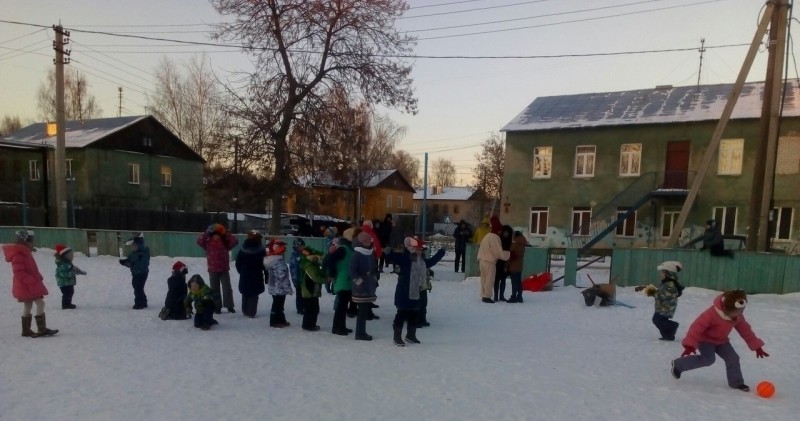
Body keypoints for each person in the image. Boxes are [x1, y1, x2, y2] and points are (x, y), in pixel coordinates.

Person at [671, 289, 769, 392]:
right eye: (736, 313)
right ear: (727, 309)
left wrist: (756, 346)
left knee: (733, 358)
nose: (739, 315)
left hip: (722, 341)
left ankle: (736, 382)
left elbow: (746, 330)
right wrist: (690, 345)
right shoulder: (711, 314)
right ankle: (678, 364)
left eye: (741, 311)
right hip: (705, 340)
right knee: (708, 359)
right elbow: (696, 328)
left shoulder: (738, 316)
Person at [389, 236, 446, 346]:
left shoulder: (422, 261)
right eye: (419, 249)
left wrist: (441, 252)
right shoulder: (406, 259)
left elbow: (432, 261)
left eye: (422, 250)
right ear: (413, 249)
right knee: (401, 314)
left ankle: (411, 335)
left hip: (416, 291)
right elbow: (395, 258)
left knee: (414, 314)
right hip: (404, 292)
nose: (421, 251)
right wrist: (389, 252)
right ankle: (397, 337)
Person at [3, 230, 58, 337]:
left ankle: (26, 330)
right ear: (26, 242)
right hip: (27, 285)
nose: (33, 244)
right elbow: (19, 272)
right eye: (31, 242)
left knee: (28, 305)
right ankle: (41, 329)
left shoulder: (25, 253)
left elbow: (31, 269)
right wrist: (31, 280)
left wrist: (38, 276)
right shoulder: (19, 255)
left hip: (28, 284)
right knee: (40, 303)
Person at [636, 261, 685, 340]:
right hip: (662, 306)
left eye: (662, 273)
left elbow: (661, 295)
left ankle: (673, 326)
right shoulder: (666, 282)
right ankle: (668, 336)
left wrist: (648, 290)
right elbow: (660, 292)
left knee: (657, 320)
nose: (660, 274)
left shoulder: (670, 284)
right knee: (660, 321)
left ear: (668, 273)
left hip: (666, 307)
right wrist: (645, 287)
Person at [196, 223, 239, 314]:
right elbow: (199, 241)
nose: (216, 237)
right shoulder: (208, 242)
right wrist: (207, 232)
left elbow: (235, 241)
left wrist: (226, 232)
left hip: (224, 269)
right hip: (213, 269)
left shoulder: (225, 242)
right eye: (215, 235)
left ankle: (229, 306)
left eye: (218, 235)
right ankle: (216, 306)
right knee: (214, 289)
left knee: (227, 288)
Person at [349, 231, 379, 341]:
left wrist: (374, 277)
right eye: (365, 242)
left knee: (364, 310)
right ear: (361, 242)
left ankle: (361, 332)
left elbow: (373, 268)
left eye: (369, 241)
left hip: (368, 284)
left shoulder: (370, 253)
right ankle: (360, 333)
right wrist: (359, 281)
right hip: (361, 287)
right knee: (362, 311)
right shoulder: (357, 254)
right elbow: (352, 270)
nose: (367, 243)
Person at [477, 217, 510, 303]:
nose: (500, 232)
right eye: (500, 230)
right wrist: (508, 254)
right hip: (490, 261)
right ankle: (487, 297)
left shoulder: (486, 236)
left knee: (483, 279)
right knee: (489, 280)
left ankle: (484, 294)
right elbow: (498, 252)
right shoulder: (495, 238)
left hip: (482, 260)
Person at [329, 228, 355, 336]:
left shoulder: (348, 249)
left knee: (343, 305)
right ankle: (337, 328)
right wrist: (332, 273)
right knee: (341, 305)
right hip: (342, 280)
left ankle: (341, 326)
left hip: (347, 280)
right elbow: (331, 259)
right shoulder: (343, 249)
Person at [297, 242, 327, 331]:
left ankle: (310, 324)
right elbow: (316, 278)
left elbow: (319, 274)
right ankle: (308, 325)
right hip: (309, 291)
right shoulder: (309, 266)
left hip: (312, 290)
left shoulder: (313, 265)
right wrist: (326, 280)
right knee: (311, 309)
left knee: (313, 309)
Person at [235, 230, 266, 318]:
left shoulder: (243, 248)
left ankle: (245, 310)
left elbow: (238, 262)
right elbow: (264, 263)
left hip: (245, 274)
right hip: (256, 274)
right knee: (254, 293)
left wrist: (241, 271)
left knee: (245, 292)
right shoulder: (261, 250)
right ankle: (251, 312)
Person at [264, 238, 293, 328]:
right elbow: (282, 277)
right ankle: (274, 321)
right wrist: (288, 288)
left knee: (279, 304)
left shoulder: (273, 261)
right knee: (277, 305)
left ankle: (281, 320)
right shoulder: (279, 262)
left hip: (275, 287)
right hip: (279, 288)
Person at [119, 233, 150, 310]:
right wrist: (124, 262)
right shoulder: (133, 254)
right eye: (132, 246)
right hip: (135, 273)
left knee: (138, 288)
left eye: (134, 246)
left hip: (142, 273)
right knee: (137, 287)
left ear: (139, 246)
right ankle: (143, 301)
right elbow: (130, 261)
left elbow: (140, 264)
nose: (133, 247)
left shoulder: (143, 254)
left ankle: (139, 303)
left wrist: (129, 264)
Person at [54, 244, 86, 309]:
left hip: (68, 282)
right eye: (70, 255)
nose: (72, 256)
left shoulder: (67, 263)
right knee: (66, 294)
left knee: (70, 292)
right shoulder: (62, 265)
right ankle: (65, 305)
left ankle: (68, 303)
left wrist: (79, 271)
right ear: (65, 256)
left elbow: (72, 269)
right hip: (64, 283)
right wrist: (72, 273)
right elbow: (62, 274)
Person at [506, 231, 528, 303]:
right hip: (519, 265)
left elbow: (511, 256)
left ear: (516, 236)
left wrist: (506, 265)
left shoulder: (515, 245)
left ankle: (514, 297)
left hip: (513, 266)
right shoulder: (523, 243)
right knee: (519, 282)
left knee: (514, 282)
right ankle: (519, 296)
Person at [494, 223, 513, 302]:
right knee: (496, 280)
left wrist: (507, 265)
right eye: (505, 232)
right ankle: (496, 295)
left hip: (505, 263)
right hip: (498, 263)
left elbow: (510, 254)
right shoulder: (499, 241)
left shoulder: (509, 242)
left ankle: (501, 296)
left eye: (507, 233)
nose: (506, 234)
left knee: (503, 280)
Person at [289, 238, 305, 315]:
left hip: (302, 278)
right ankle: (300, 308)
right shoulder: (295, 256)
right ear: (297, 247)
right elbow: (294, 270)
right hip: (298, 279)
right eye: (301, 246)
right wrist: (296, 280)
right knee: (299, 294)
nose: (303, 247)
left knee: (303, 293)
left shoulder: (302, 254)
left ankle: (303, 307)